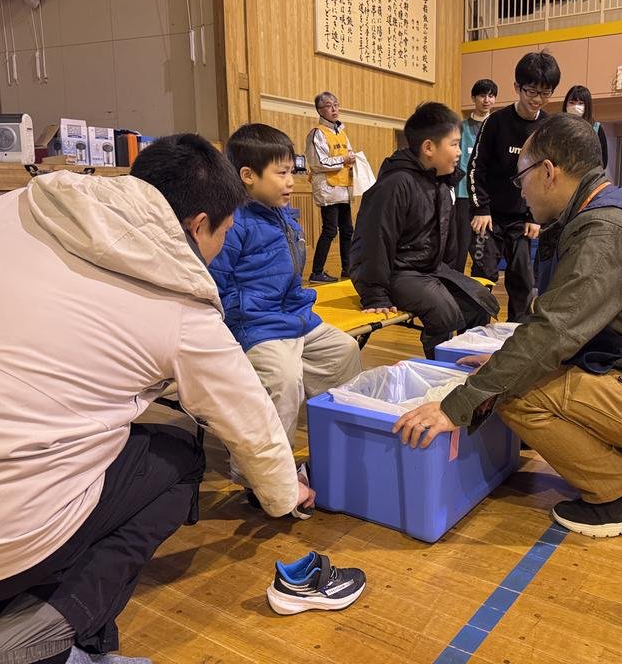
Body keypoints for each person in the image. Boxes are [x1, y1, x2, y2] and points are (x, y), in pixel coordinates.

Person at [0, 134, 315, 663]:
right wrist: (285, 496)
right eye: (224, 232)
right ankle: (55, 629)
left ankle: (26, 633)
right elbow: (250, 424)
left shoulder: (12, 209)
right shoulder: (181, 302)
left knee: (27, 459)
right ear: (196, 226)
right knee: (181, 453)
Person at [391, 114, 622, 539]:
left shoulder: (604, 231)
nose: (522, 192)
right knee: (514, 375)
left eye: (522, 179)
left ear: (548, 172)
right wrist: (504, 361)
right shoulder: (605, 207)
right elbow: (566, 324)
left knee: (514, 396)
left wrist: (457, 405)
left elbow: (553, 331)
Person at [207, 123, 362, 497]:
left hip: (295, 317)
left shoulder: (282, 214)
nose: (291, 180)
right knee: (282, 379)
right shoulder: (232, 222)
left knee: (344, 351)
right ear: (247, 176)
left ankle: (341, 445)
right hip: (256, 326)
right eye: (281, 173)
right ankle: (262, 479)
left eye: (292, 171)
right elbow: (215, 284)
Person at [349, 102, 500, 358]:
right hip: (398, 272)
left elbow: (446, 239)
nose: (459, 152)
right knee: (443, 312)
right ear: (429, 147)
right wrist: (374, 295)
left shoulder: (439, 182)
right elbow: (373, 242)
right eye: (453, 144)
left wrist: (450, 274)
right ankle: (440, 369)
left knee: (479, 303)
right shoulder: (396, 184)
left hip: (428, 269)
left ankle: (467, 365)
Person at [468, 51, 561, 321]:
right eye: (531, 91)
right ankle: (476, 329)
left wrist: (535, 217)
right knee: (483, 274)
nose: (537, 99)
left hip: (524, 220)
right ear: (517, 87)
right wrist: (480, 209)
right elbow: (476, 167)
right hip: (490, 216)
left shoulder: (548, 127)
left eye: (545, 93)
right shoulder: (496, 122)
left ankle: (516, 331)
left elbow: (550, 176)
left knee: (522, 277)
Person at [445, 78, 498, 271]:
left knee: (483, 250)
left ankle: (481, 291)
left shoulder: (497, 127)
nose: (486, 100)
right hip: (462, 197)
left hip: (485, 200)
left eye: (491, 96)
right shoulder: (460, 127)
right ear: (474, 98)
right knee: (458, 248)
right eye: (482, 95)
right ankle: (454, 287)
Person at [305, 91, 356, 283]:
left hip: (344, 187)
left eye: (336, 104)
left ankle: (348, 269)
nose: (334, 108)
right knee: (329, 230)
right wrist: (344, 160)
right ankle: (317, 272)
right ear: (319, 110)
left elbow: (349, 154)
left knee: (348, 230)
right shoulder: (317, 133)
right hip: (328, 189)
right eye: (328, 105)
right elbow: (318, 162)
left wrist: (352, 160)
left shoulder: (341, 132)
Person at [562, 85, 607, 168]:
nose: (575, 106)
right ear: (565, 104)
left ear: (587, 106)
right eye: (571, 102)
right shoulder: (558, 127)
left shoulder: (596, 128)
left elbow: (603, 160)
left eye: (580, 103)